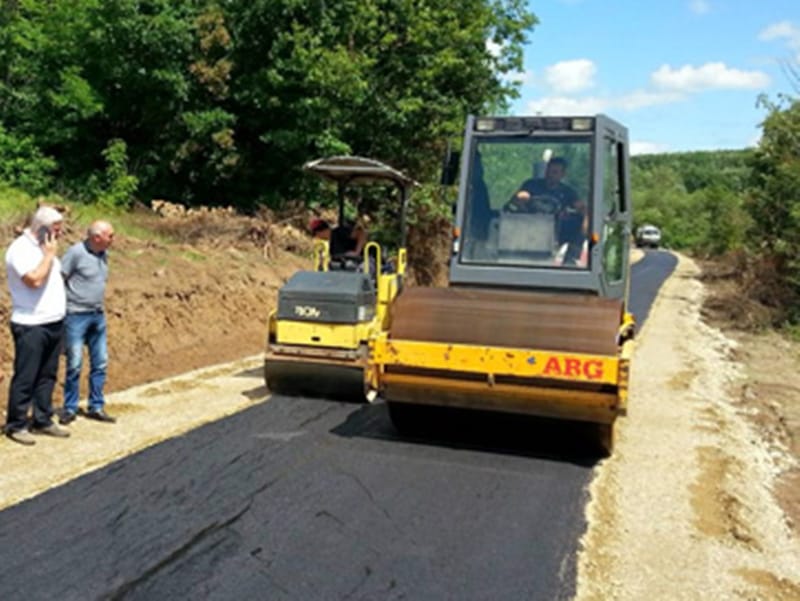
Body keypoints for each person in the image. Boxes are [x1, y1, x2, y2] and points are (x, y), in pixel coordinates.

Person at [4, 206, 71, 445]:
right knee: (26, 376)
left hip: (53, 321)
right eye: (56, 229)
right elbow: (34, 280)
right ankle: (17, 424)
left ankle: (42, 419)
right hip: (31, 324)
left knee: (47, 375)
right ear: (42, 228)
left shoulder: (45, 248)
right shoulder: (20, 250)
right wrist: (49, 255)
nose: (60, 233)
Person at [60, 220, 116, 424]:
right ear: (97, 237)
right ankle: (70, 407)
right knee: (74, 364)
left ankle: (96, 406)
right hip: (76, 315)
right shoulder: (75, 253)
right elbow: (60, 278)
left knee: (100, 362)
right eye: (110, 236)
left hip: (97, 314)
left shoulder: (103, 255)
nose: (113, 239)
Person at [505, 157, 587, 264]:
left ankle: (570, 262)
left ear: (562, 175)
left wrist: (585, 221)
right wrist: (521, 199)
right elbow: (517, 200)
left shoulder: (567, 192)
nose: (550, 175)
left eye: (555, 172)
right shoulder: (532, 185)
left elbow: (581, 207)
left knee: (579, 225)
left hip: (556, 231)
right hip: (527, 229)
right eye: (548, 171)